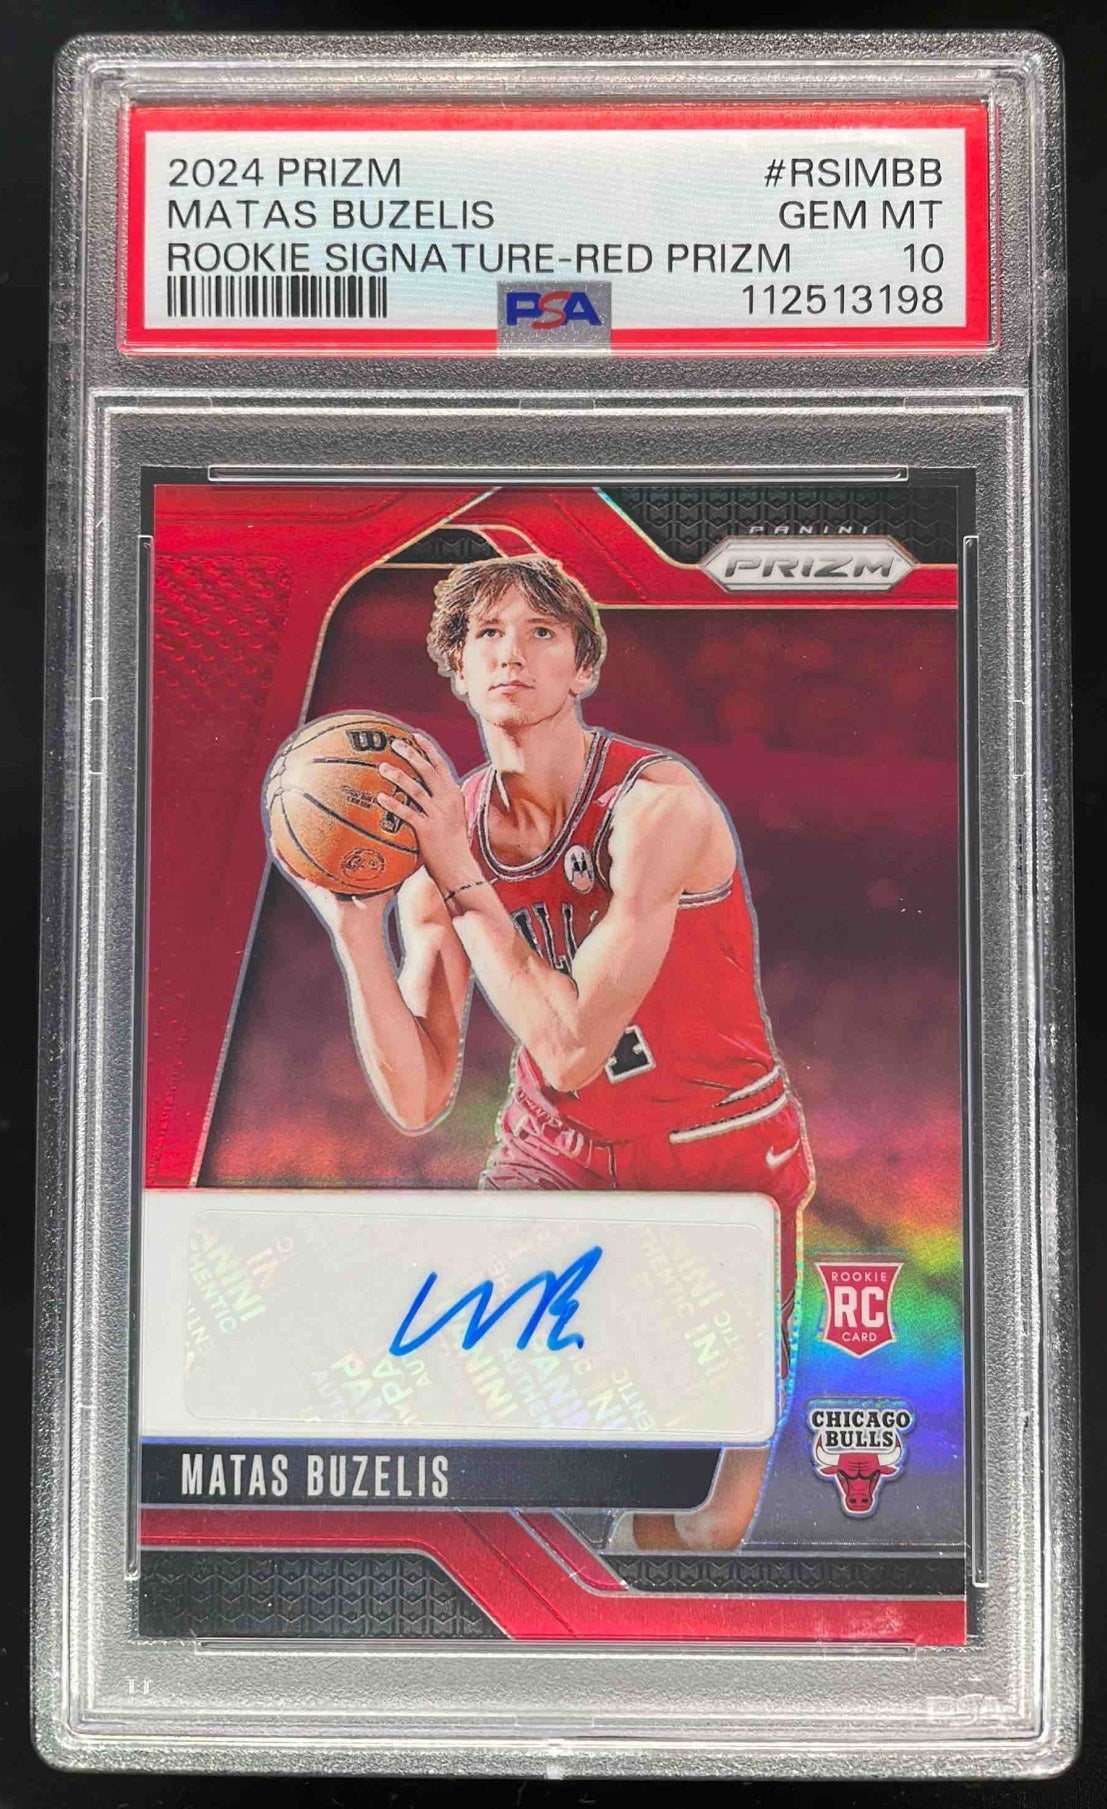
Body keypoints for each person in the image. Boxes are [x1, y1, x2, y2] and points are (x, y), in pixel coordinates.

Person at [281, 553, 813, 1551]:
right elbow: (418, 1095)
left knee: (695, 1524)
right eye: (486, 635)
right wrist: (355, 931)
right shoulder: (445, 839)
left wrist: (459, 878)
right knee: (455, 1404)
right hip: (555, 1153)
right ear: (456, 669)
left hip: (715, 1156)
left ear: (584, 668)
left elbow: (571, 1045)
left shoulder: (658, 809)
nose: (510, 654)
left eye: (540, 633)